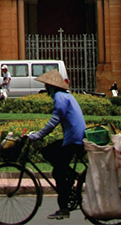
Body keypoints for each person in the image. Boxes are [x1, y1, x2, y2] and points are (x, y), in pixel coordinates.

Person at [26, 69, 86, 221]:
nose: (46, 89)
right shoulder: (66, 96)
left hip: (74, 140)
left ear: (52, 87)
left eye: (47, 86)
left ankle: (64, 207)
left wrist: (37, 136)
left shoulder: (59, 97)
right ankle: (70, 175)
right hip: (75, 137)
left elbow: (54, 121)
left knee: (58, 172)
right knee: (48, 152)